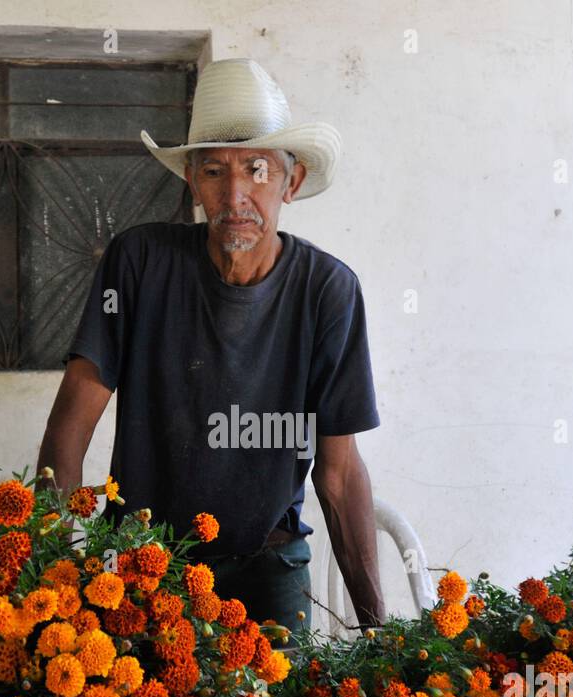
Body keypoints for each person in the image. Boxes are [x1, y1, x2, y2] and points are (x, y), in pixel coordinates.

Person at [36, 58, 384, 645]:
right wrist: (46, 589)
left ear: (290, 184)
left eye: (258, 170)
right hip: (145, 562)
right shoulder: (140, 263)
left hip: (267, 562)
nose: (236, 194)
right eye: (214, 171)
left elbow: (340, 474)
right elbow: (72, 421)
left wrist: (381, 635)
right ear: (191, 183)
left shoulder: (328, 291)